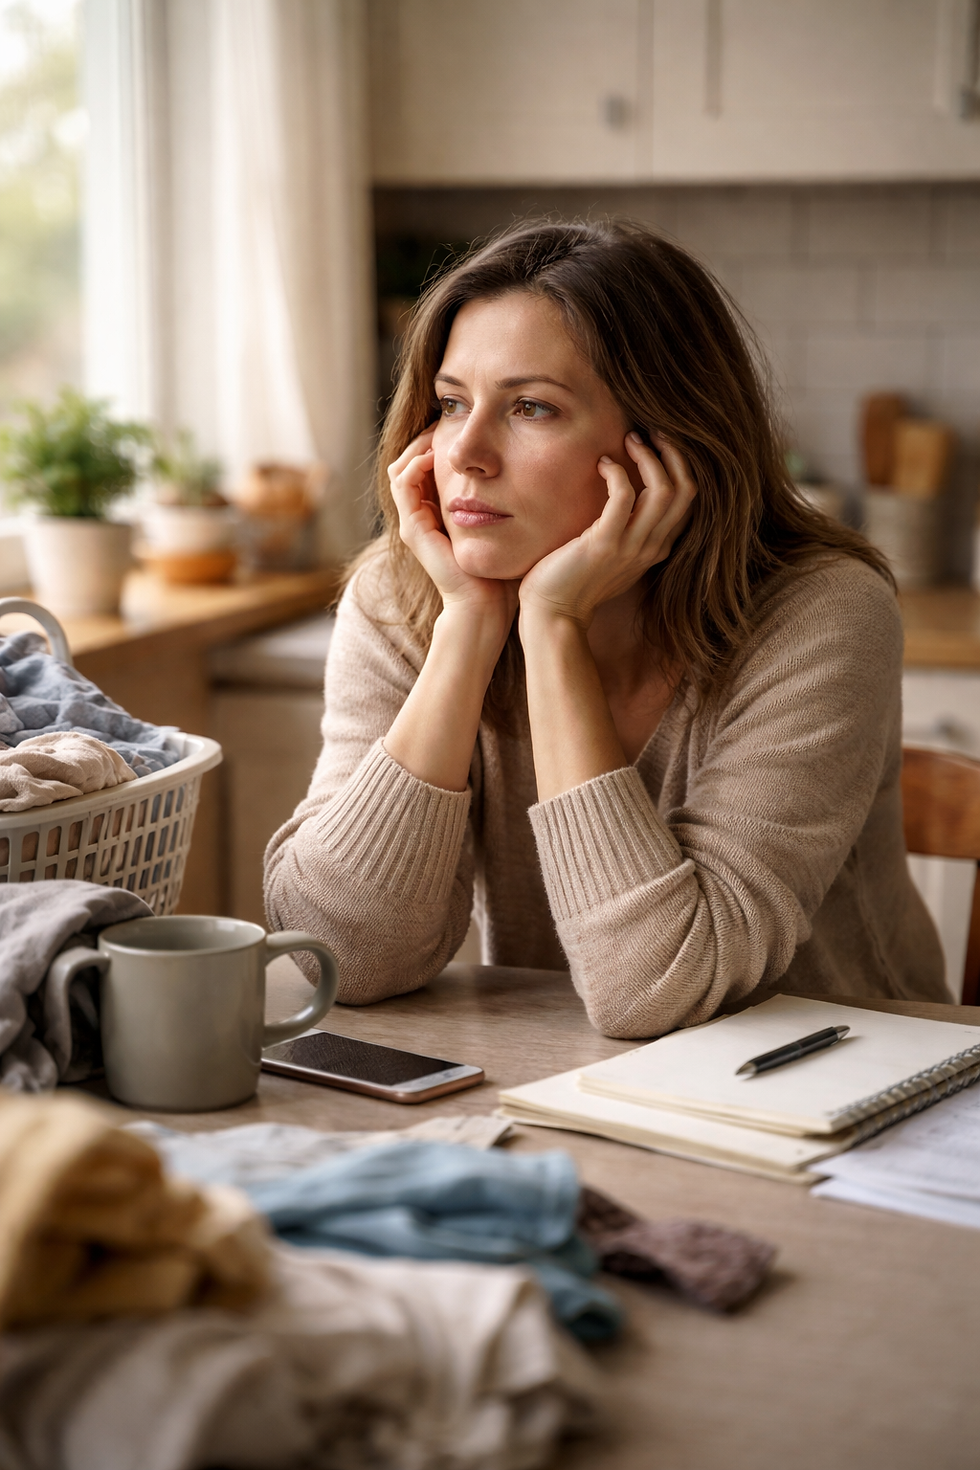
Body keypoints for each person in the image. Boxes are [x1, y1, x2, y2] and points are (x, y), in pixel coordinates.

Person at [264, 219, 947, 1038]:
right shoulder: (407, 594)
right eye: (450, 404)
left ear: (664, 441)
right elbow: (336, 958)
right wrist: (469, 629)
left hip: (839, 1084)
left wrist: (552, 627)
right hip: (572, 1077)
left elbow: (659, 990)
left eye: (531, 407)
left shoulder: (820, 613)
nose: (466, 453)